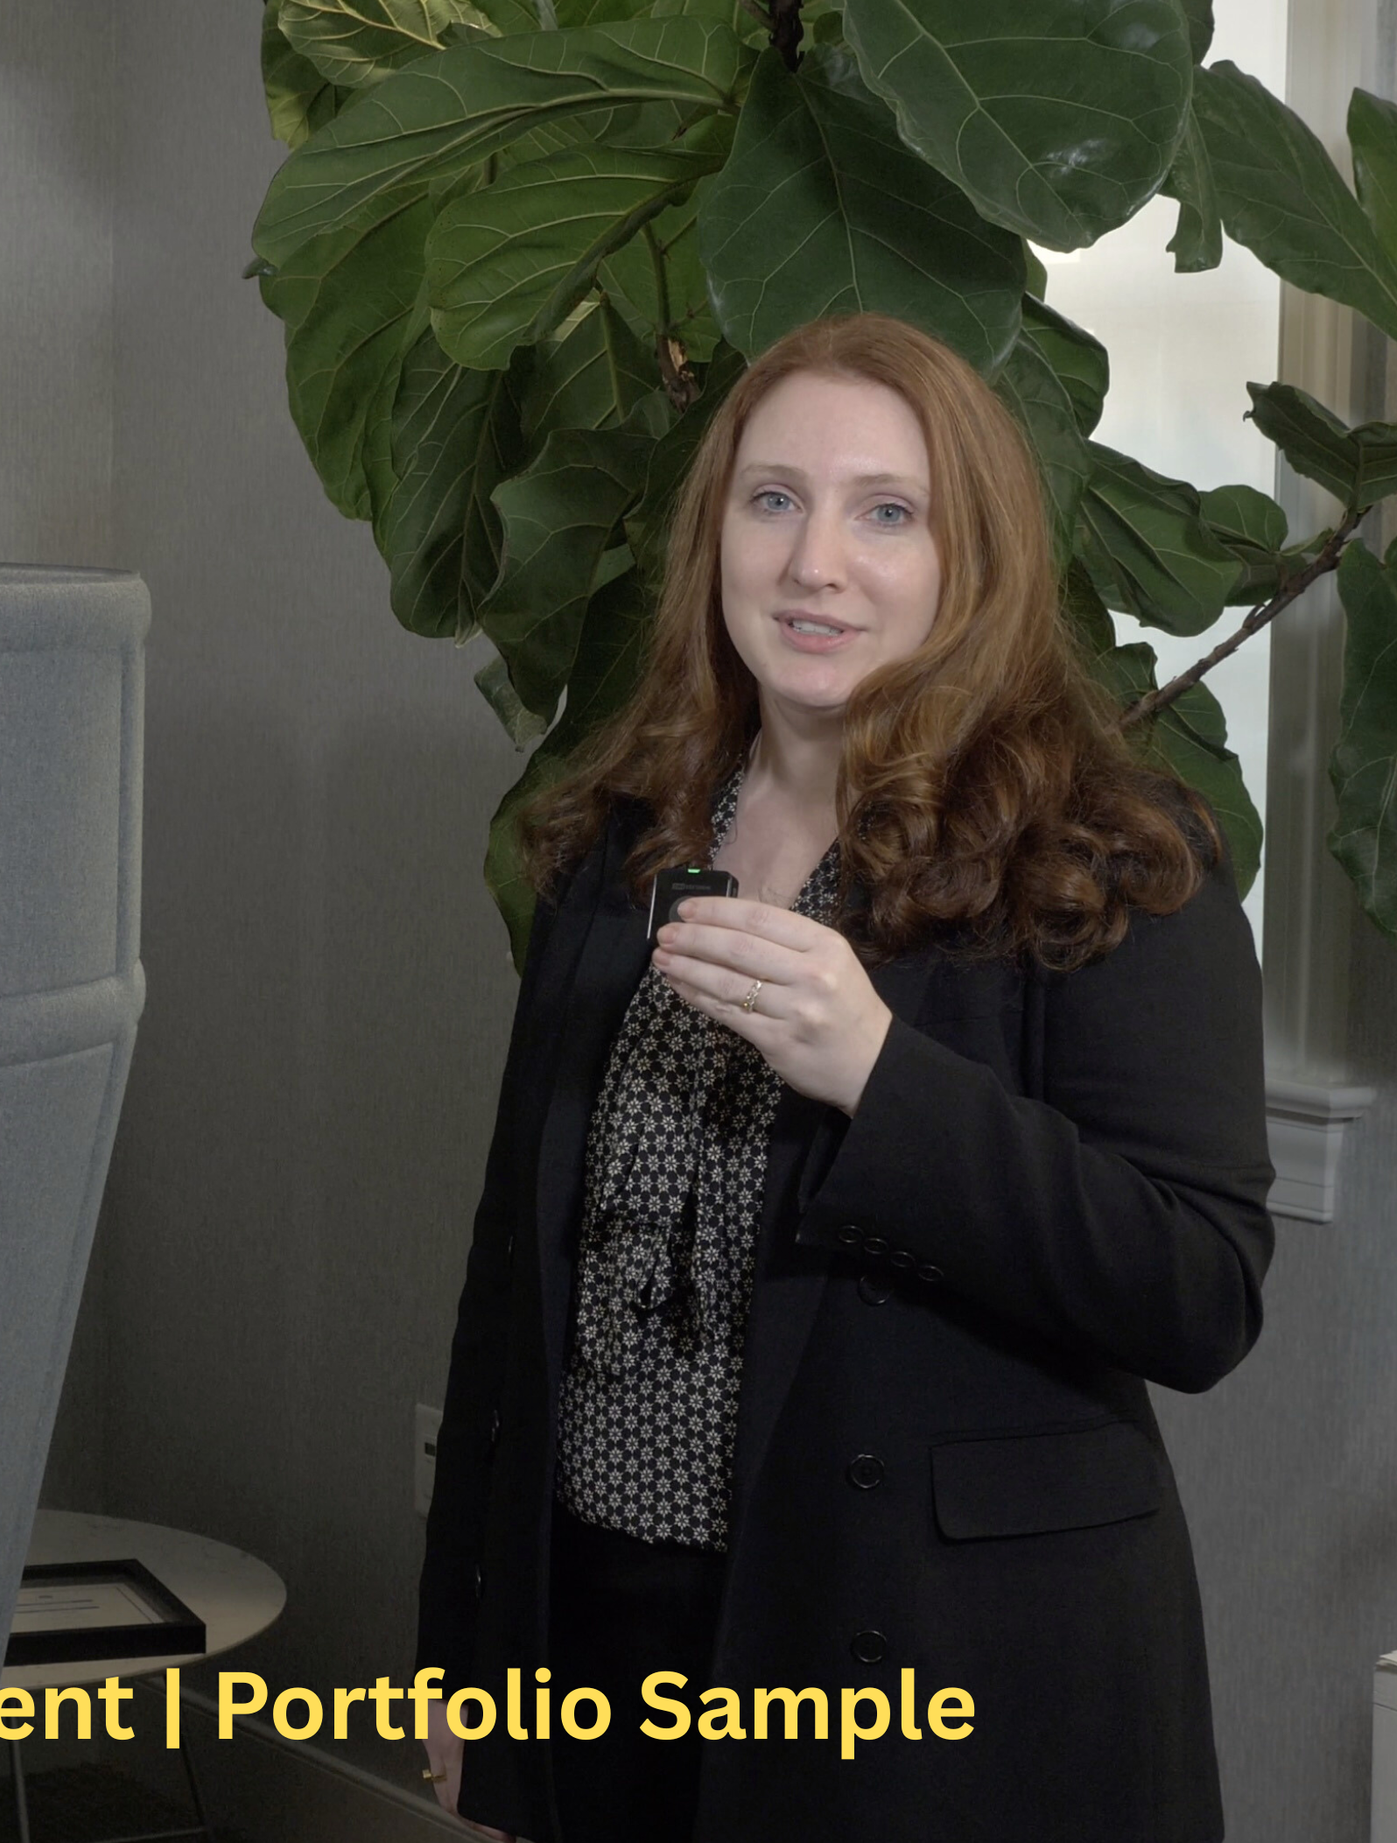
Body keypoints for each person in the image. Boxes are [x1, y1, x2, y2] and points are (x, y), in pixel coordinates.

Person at [414, 313, 1272, 1842]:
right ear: (717, 536)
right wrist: (466, 1662)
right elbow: (508, 1286)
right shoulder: (620, 841)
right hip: (604, 1659)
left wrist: (880, 1072)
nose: (816, 563)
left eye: (887, 511)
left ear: (974, 559)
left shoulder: (1115, 859)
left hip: (943, 1689)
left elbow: (1196, 1289)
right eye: (772, 500)